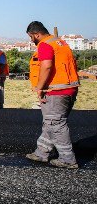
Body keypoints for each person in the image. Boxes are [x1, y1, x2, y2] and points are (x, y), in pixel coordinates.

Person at [24, 21, 80, 169]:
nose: (31, 40)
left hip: (56, 90)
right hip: (69, 88)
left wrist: (40, 88)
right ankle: (41, 153)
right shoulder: (60, 43)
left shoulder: (45, 45)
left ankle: (67, 159)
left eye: (31, 37)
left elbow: (46, 66)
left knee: (56, 124)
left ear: (36, 34)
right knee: (51, 122)